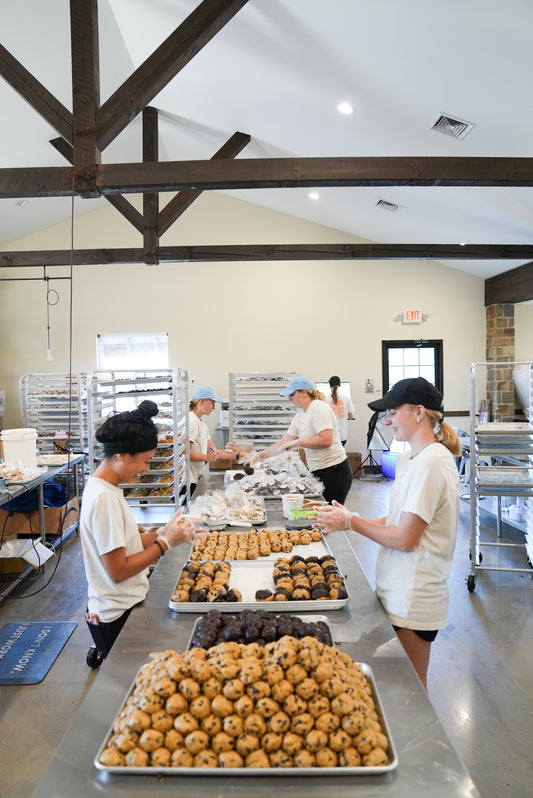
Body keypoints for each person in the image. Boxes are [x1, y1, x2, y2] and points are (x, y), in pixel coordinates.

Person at [316, 377, 461, 690]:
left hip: (414, 597)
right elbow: (395, 518)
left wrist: (351, 522)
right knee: (387, 682)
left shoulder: (433, 463)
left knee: (409, 692)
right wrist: (347, 518)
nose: (388, 420)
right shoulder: (412, 458)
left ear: (419, 412)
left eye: (393, 412)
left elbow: (405, 539)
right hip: (395, 590)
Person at [80, 400, 204, 667]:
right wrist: (165, 544)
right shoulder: (104, 499)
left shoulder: (106, 489)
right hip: (116, 614)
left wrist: (163, 531)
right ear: (122, 455)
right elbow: (118, 571)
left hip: (122, 605)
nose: (147, 469)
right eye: (146, 461)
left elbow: (126, 544)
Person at [245, 375, 353, 504]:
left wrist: (298, 442)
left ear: (304, 392)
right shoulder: (300, 415)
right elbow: (283, 443)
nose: (289, 399)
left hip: (335, 471)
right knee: (320, 514)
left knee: (331, 516)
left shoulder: (318, 407)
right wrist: (258, 456)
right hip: (317, 470)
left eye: (291, 395)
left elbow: (326, 440)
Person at [188, 385, 238, 497]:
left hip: (195, 476)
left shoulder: (201, 424)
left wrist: (238, 455)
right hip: (187, 480)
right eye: (212, 404)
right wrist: (207, 458)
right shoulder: (192, 422)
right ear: (202, 402)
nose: (214, 408)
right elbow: (182, 453)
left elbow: (214, 452)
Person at [327, 375, 355, 447]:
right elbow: (351, 416)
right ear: (339, 385)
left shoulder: (325, 399)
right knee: (341, 455)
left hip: (330, 436)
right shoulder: (346, 398)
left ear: (330, 385)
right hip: (342, 436)